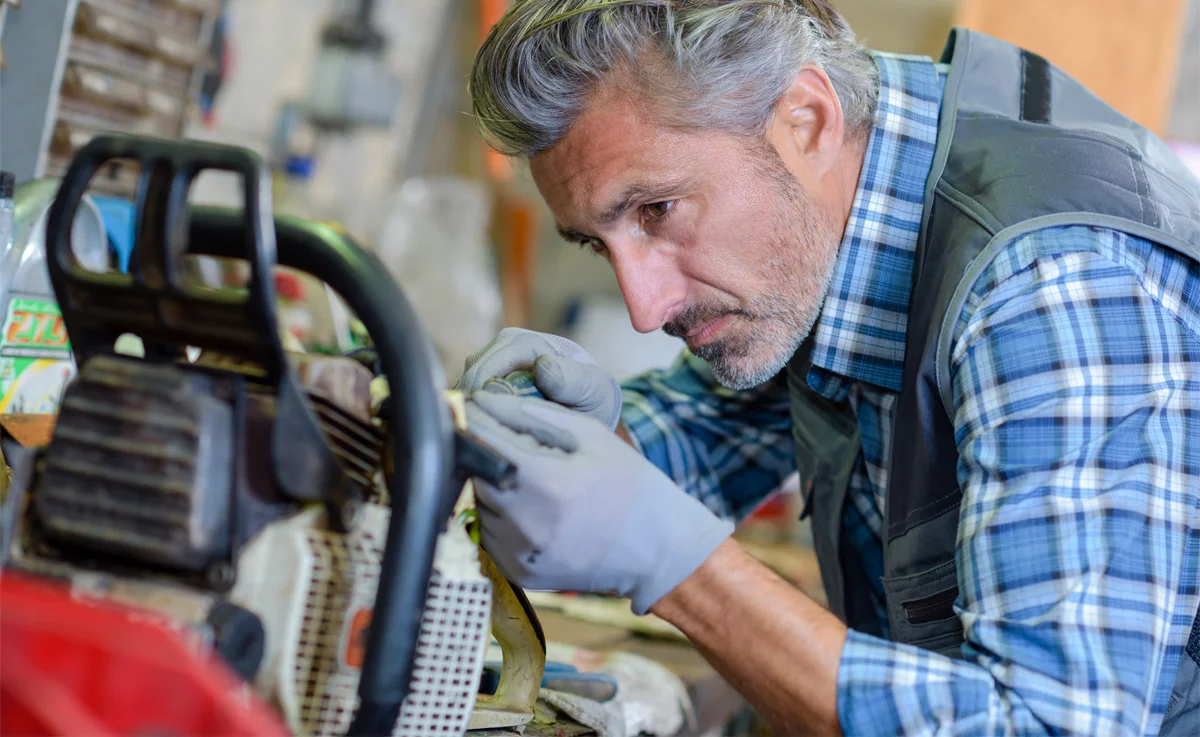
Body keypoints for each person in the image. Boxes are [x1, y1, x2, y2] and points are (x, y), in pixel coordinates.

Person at [458, 1, 1200, 734]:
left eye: (656, 210)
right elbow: (714, 427)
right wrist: (564, 444)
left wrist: (680, 567)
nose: (644, 308)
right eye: (597, 242)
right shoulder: (838, 205)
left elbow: (1047, 727)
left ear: (807, 120)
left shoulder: (1051, 287)